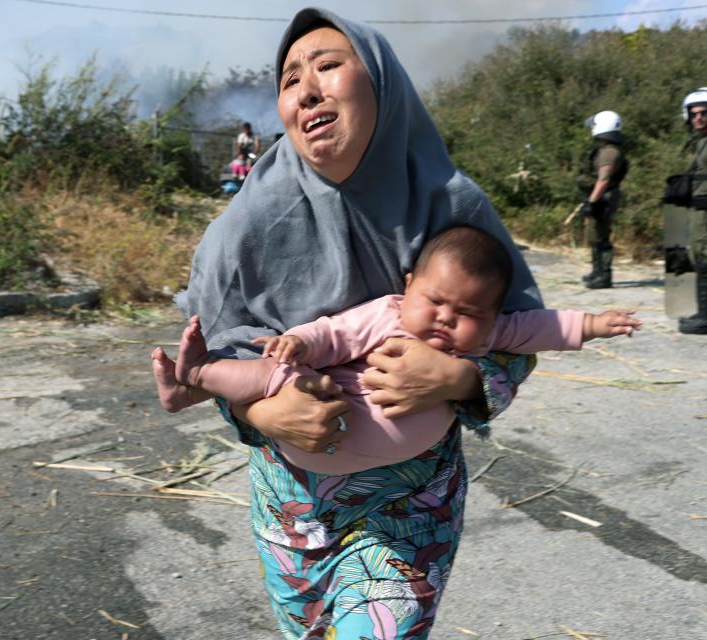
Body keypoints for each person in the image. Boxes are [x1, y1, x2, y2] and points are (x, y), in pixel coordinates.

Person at [162, 8, 544, 638]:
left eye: (329, 65)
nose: (307, 88)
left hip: (411, 502)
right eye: (289, 80)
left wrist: (455, 378)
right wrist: (259, 414)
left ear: (383, 84)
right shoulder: (245, 227)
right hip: (295, 508)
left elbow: (520, 338)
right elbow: (213, 363)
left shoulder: (451, 207)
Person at [153, 225, 640, 475]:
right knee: (269, 374)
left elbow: (540, 327)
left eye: (468, 312)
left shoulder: (488, 338)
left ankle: (191, 383)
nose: (447, 318)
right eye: (434, 301)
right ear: (408, 288)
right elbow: (336, 333)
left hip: (397, 496)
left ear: (492, 318)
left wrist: (595, 324)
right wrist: (298, 340)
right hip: (311, 426)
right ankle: (194, 379)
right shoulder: (387, 313)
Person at [576, 110, 628, 289]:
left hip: (604, 198)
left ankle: (604, 276)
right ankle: (596, 272)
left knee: (601, 237)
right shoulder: (606, 150)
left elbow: (603, 179)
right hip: (600, 197)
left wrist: (592, 201)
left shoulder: (609, 153)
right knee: (595, 235)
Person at [678, 88, 707, 334]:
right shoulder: (701, 142)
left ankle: (705, 317)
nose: (698, 117)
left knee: (704, 260)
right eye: (694, 113)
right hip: (699, 210)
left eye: (704, 113)